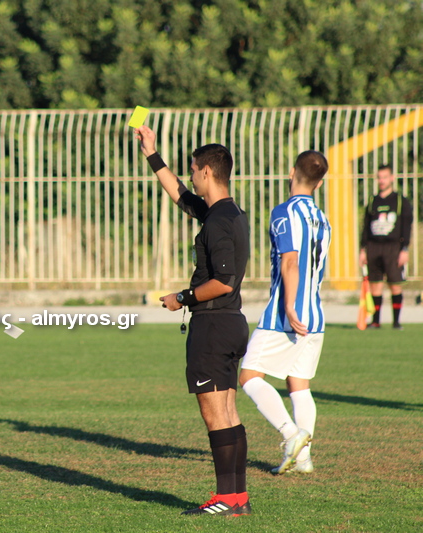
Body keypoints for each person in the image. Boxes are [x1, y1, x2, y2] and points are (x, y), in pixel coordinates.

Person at [136, 126, 251, 517]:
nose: (190, 177)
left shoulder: (218, 222)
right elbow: (181, 197)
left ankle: (225, 498)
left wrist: (180, 298)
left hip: (213, 326)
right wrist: (151, 153)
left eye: (192, 170)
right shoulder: (230, 213)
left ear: (206, 171)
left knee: (215, 415)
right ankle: (237, 499)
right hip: (231, 322)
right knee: (228, 413)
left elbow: (223, 281)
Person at [239, 151, 332, 476]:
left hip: (285, 314)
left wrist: (289, 306)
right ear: (319, 183)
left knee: (249, 377)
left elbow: (290, 261)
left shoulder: (284, 212)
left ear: (292, 172)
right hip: (315, 315)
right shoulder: (323, 219)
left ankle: (292, 435)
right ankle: (303, 460)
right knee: (299, 385)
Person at [359, 165, 413, 329]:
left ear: (391, 178)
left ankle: (396, 322)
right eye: (379, 177)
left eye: (385, 177)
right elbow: (366, 227)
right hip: (374, 246)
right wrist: (363, 249)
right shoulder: (372, 201)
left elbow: (407, 226)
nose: (382, 181)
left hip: (393, 247)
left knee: (394, 283)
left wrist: (404, 249)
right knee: (375, 283)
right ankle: (376, 321)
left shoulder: (400, 201)